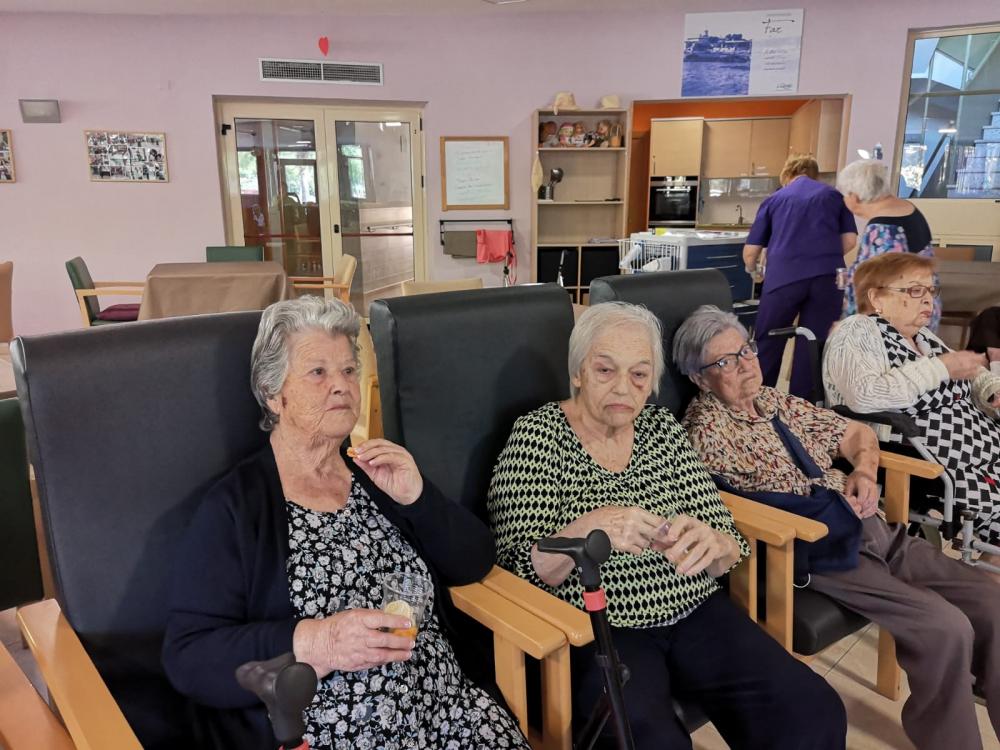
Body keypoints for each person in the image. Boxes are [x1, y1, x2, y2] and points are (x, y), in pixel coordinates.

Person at [162, 296, 528, 750]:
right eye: (318, 372)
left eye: (349, 370)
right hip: (336, 735)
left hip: (453, 714)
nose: (341, 386)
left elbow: (475, 561)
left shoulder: (375, 473)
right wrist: (319, 642)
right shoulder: (236, 507)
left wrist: (418, 498)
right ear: (274, 394)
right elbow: (189, 656)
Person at [488, 301, 846, 750]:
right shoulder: (539, 436)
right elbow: (516, 568)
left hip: (695, 609)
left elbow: (728, 545)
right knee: (647, 741)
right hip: (601, 628)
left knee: (812, 709)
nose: (624, 387)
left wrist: (714, 543)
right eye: (605, 370)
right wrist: (588, 528)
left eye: (639, 374)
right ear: (578, 373)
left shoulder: (661, 429)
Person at [676, 303, 1000, 750]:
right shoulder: (707, 430)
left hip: (870, 526)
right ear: (700, 378)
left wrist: (864, 471)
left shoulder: (773, 400)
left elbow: (854, 433)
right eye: (726, 362)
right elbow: (731, 509)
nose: (746, 364)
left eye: (746, 350)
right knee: (945, 627)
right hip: (821, 548)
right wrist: (827, 507)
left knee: (991, 600)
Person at [822, 252, 1000, 573]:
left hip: (986, 451)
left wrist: (991, 388)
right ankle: (981, 589)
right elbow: (864, 396)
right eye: (915, 291)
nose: (928, 299)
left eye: (931, 290)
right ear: (877, 297)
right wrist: (940, 368)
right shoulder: (857, 332)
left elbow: (971, 371)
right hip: (939, 462)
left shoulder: (922, 337)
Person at [742, 155, 858, 399]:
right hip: (827, 279)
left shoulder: (775, 199)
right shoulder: (834, 196)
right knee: (813, 343)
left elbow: (751, 251)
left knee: (769, 339)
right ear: (815, 174)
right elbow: (850, 240)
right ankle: (803, 406)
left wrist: (753, 271)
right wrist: (822, 255)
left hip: (783, 278)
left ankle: (760, 399)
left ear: (787, 174)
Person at [837, 159, 941, 328]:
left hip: (896, 324)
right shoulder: (908, 209)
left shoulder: (882, 230)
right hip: (920, 310)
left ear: (854, 197)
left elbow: (876, 287)